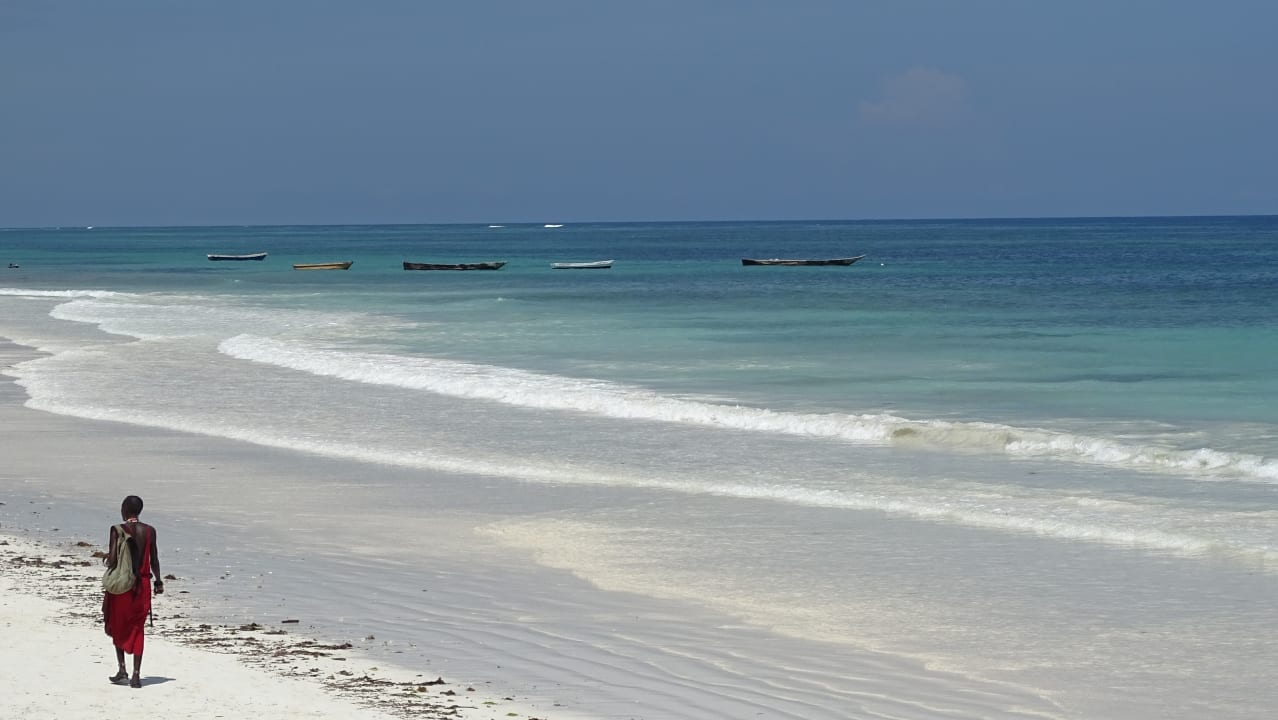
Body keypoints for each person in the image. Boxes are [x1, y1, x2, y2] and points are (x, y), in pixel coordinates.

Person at [102, 495, 163, 688]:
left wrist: (107, 559)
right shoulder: (150, 531)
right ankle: (136, 675)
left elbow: (112, 559)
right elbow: (154, 559)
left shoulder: (117, 530)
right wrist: (159, 582)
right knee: (138, 628)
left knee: (117, 624)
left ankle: (122, 669)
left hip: (122, 586)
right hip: (142, 586)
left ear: (124, 509)